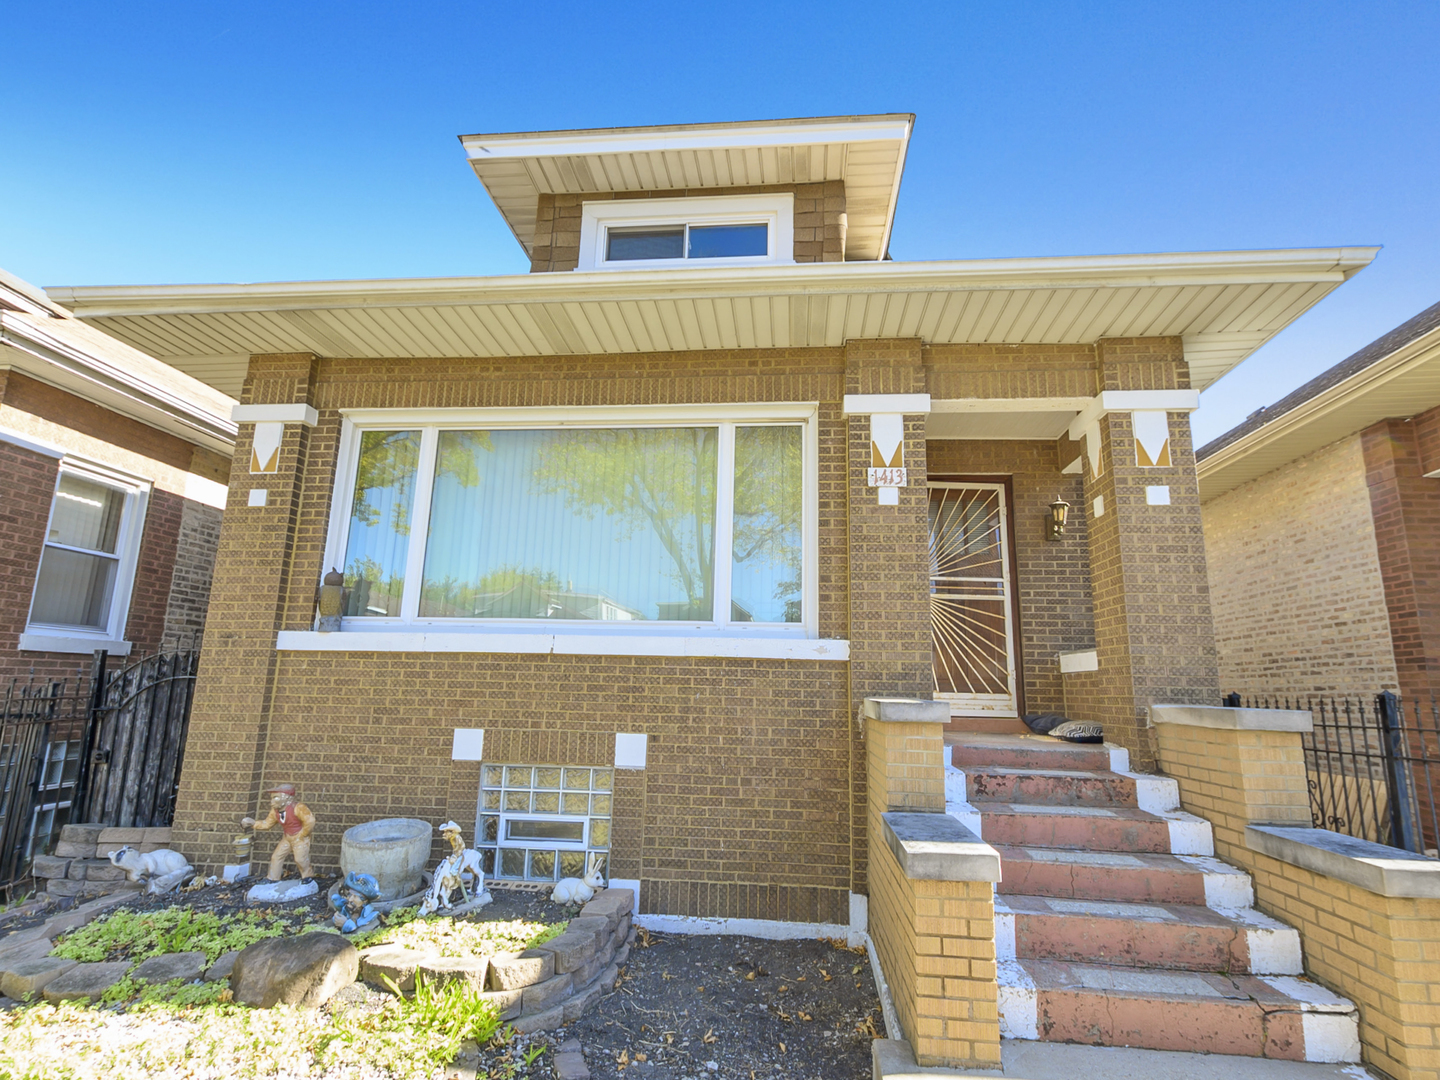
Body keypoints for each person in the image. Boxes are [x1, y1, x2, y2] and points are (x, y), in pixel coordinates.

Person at [241, 783, 316, 880]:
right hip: (287, 837)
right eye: (272, 798)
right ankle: (272, 878)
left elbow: (310, 821)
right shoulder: (275, 811)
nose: (271, 801)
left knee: (300, 859)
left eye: (275, 798)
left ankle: (308, 878)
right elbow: (267, 823)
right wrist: (253, 823)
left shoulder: (298, 807)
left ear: (286, 798)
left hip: (299, 838)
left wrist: (303, 834)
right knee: (276, 857)